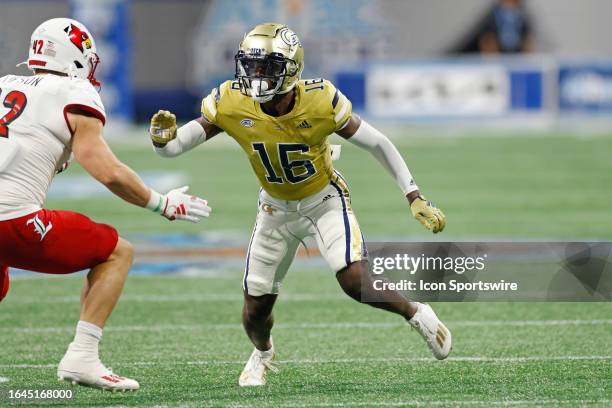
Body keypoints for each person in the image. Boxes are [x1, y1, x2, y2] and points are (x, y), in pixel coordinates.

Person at [149, 23, 450, 387]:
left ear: (291, 69)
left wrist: (413, 194)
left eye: (267, 67)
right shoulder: (231, 101)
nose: (256, 76)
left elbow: (377, 142)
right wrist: (162, 140)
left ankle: (415, 312)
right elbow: (177, 147)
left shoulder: (320, 100)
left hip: (323, 198)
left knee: (354, 279)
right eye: (251, 65)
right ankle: (262, 353)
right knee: (254, 311)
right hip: (274, 208)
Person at [0, 18, 211, 391]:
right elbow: (106, 171)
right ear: (73, 55)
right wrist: (162, 203)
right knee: (116, 251)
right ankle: (82, 357)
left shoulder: (4, 85)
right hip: (12, 220)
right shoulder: (72, 90)